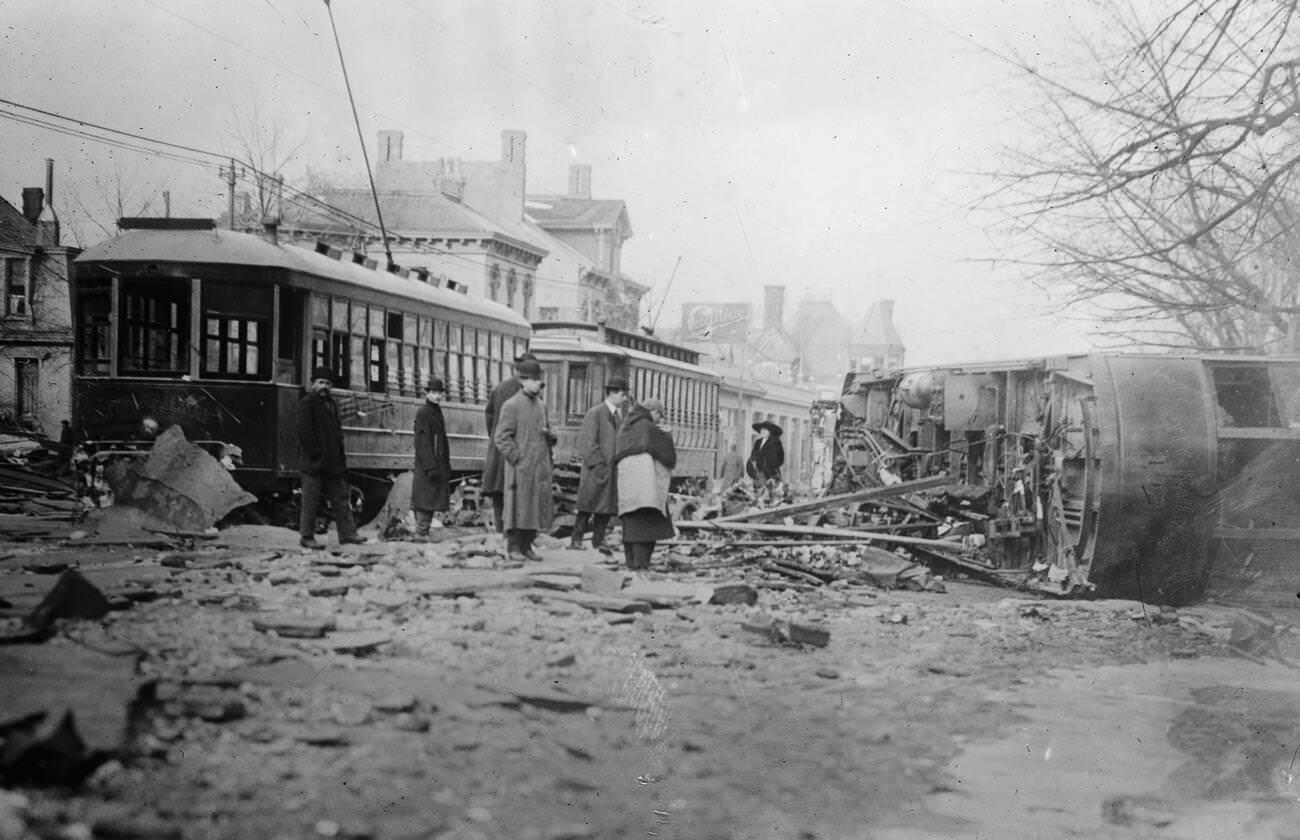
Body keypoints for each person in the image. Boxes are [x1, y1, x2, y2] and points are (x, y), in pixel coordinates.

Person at [492, 360, 554, 562]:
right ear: (523, 381)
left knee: (534, 508)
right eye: (535, 381)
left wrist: (550, 437)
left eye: (540, 381)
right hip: (520, 468)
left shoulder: (541, 406)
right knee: (518, 507)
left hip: (538, 466)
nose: (539, 385)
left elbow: (545, 432)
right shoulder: (511, 405)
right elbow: (501, 437)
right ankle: (513, 546)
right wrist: (516, 457)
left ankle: (527, 545)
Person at [298, 366, 364, 549]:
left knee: (341, 498)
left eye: (327, 383)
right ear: (313, 384)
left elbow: (336, 434)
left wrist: (339, 459)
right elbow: (305, 433)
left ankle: (348, 534)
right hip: (314, 463)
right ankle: (306, 536)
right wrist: (316, 455)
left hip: (333, 463)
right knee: (310, 500)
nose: (324, 387)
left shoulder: (332, 404)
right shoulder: (307, 403)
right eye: (320, 383)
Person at [568, 375, 630, 553]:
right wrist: (599, 466)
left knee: (605, 508)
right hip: (596, 470)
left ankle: (598, 540)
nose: (624, 399)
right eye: (622, 394)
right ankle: (576, 539)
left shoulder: (618, 417)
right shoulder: (595, 413)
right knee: (587, 506)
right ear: (612, 393)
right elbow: (587, 443)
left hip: (610, 470)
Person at [613, 397, 676, 571]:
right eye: (660, 416)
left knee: (630, 525)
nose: (660, 420)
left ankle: (631, 564)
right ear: (654, 412)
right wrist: (668, 435)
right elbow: (669, 458)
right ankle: (641, 566)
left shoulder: (626, 427)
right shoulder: (650, 428)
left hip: (626, 486)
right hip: (646, 487)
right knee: (646, 527)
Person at [483, 353, 540, 532]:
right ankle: (514, 536)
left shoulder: (500, 388)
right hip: (518, 452)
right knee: (517, 497)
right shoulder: (528, 393)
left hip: (499, 451)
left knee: (500, 496)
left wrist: (494, 437)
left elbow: (489, 415)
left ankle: (502, 532)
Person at [411, 378, 451, 539]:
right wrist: (430, 466)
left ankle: (423, 532)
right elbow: (422, 442)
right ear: (427, 393)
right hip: (428, 464)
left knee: (430, 497)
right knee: (425, 498)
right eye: (434, 392)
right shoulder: (424, 412)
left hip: (436, 462)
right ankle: (421, 532)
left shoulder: (435, 411)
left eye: (439, 393)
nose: (437, 396)